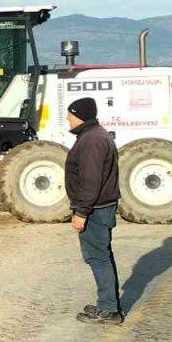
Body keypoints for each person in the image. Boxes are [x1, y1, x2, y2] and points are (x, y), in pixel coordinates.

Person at [64, 97, 123, 325]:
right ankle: (107, 303)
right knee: (102, 256)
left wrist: (82, 212)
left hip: (96, 210)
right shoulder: (94, 136)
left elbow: (90, 180)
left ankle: (109, 310)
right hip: (99, 207)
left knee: (98, 258)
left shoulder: (91, 141)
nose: (68, 118)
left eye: (70, 113)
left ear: (80, 114)